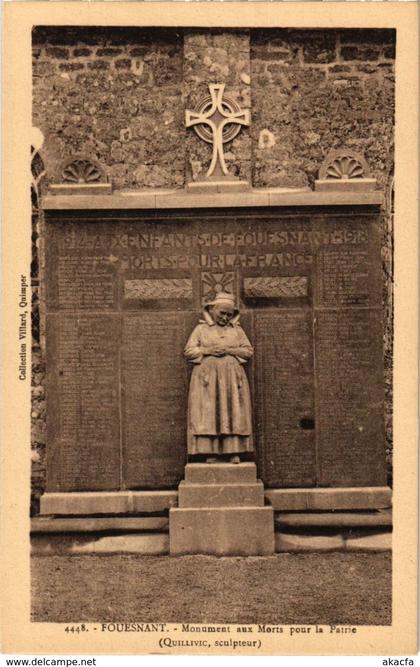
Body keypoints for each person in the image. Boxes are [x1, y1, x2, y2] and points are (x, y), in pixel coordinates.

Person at [184, 292, 254, 463]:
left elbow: (248, 351)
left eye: (229, 315)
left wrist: (230, 350)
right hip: (207, 380)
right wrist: (208, 351)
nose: (225, 317)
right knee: (209, 413)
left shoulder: (237, 331)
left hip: (232, 378)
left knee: (233, 412)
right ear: (212, 310)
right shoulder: (201, 330)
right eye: (222, 313)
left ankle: (234, 451)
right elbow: (189, 351)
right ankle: (210, 452)